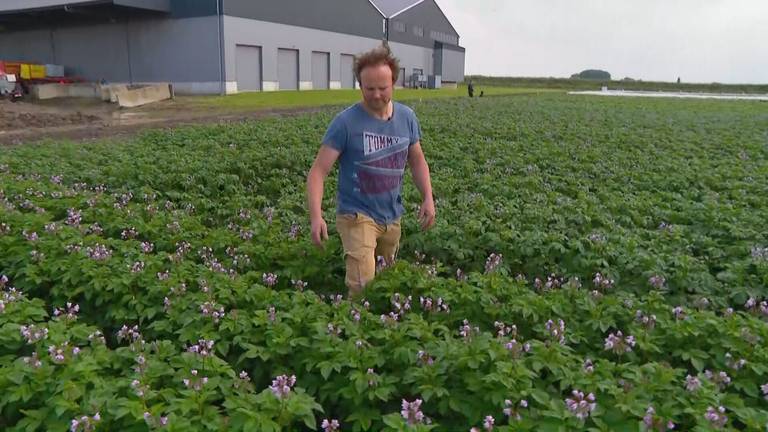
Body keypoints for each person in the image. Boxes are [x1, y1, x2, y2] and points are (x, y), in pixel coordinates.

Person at [306, 43, 435, 298]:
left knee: (386, 283)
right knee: (363, 286)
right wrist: (316, 216)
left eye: (383, 88)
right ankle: (356, 332)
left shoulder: (407, 118)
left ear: (394, 84)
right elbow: (318, 172)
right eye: (369, 89)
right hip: (357, 216)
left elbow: (417, 160)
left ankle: (383, 330)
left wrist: (428, 197)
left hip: (391, 215)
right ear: (360, 86)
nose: (376, 95)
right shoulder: (345, 123)